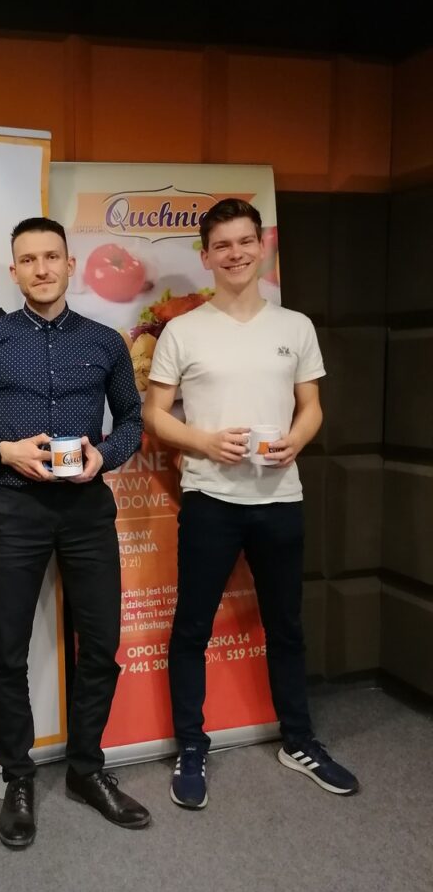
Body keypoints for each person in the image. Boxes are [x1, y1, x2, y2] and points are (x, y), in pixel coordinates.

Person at [0, 216, 150, 847]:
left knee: (102, 645)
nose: (41, 269)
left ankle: (86, 770)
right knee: (8, 650)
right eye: (28, 260)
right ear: (15, 270)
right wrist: (1, 451)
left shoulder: (106, 341)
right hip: (15, 508)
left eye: (51, 257)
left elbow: (133, 420)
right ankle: (18, 777)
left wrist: (104, 456)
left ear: (69, 262)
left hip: (87, 509)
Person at [143, 197, 359, 809]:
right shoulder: (182, 331)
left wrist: (299, 438)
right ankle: (191, 745)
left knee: (286, 625)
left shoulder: (296, 327)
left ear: (262, 247)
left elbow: (311, 406)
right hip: (210, 498)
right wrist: (205, 441)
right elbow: (155, 415)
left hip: (280, 498)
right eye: (222, 245)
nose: (235, 254)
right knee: (192, 626)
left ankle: (299, 740)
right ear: (207, 256)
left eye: (245, 242)